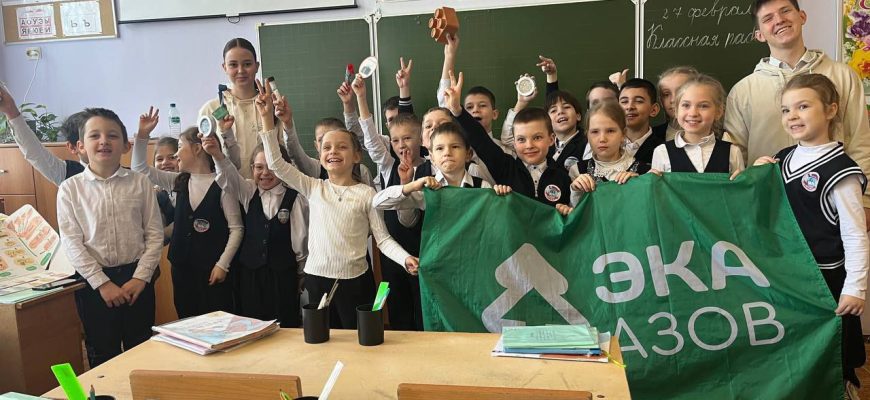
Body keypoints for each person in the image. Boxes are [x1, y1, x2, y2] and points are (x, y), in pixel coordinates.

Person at [750, 73, 867, 399]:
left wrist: (855, 287)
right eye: (786, 110)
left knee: (835, 349)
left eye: (803, 106)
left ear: (830, 110)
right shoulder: (782, 157)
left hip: (825, 279)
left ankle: (844, 388)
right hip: (789, 276)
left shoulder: (841, 172)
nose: (793, 116)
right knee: (797, 347)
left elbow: (855, 235)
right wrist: (757, 172)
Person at [725, 0, 870, 215]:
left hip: (832, 205)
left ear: (802, 17)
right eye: (768, 18)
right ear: (759, 35)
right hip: (769, 208)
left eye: (785, 11)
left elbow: (860, 141)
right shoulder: (742, 91)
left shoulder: (842, 76)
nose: (779, 20)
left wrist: (864, 201)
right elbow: (735, 156)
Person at [57, 108, 162, 367]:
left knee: (142, 349)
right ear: (81, 146)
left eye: (112, 135)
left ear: (125, 145)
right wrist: (102, 284)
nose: (104, 141)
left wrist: (140, 278)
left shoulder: (140, 183)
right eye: (95, 135)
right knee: (102, 353)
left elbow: (154, 235)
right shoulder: (70, 189)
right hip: (94, 285)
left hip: (137, 280)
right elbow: (72, 243)